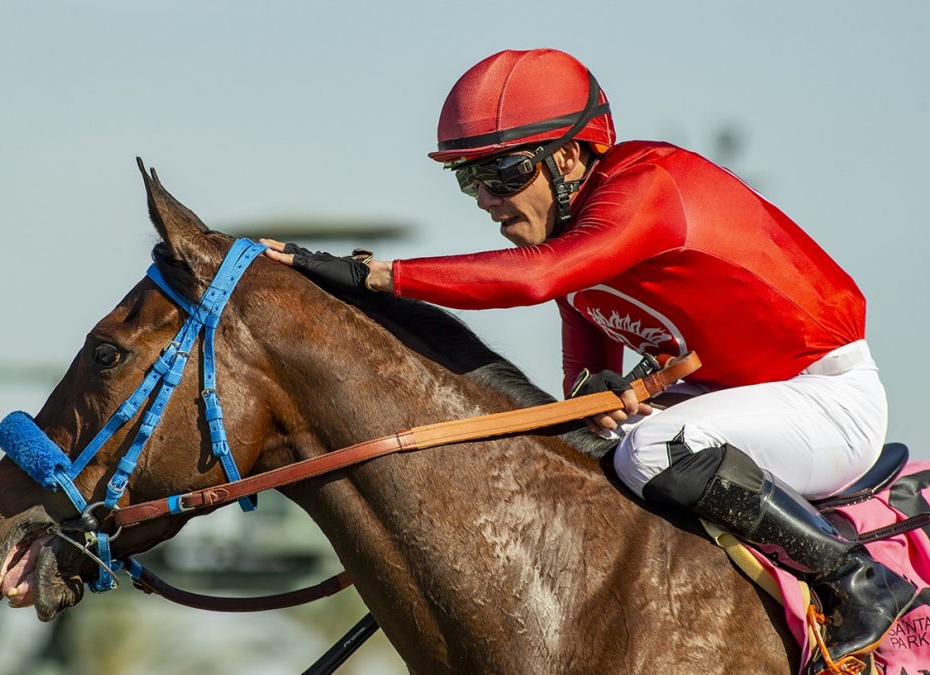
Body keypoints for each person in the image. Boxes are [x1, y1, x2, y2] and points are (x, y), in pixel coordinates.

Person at [262, 48, 915, 672]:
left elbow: (531, 280)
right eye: (470, 178)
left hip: (828, 398)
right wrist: (590, 398)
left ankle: (859, 581)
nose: (487, 197)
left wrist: (371, 276)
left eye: (504, 172)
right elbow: (582, 383)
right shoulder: (575, 244)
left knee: (652, 448)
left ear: (570, 156)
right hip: (734, 401)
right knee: (584, 457)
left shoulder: (647, 189)